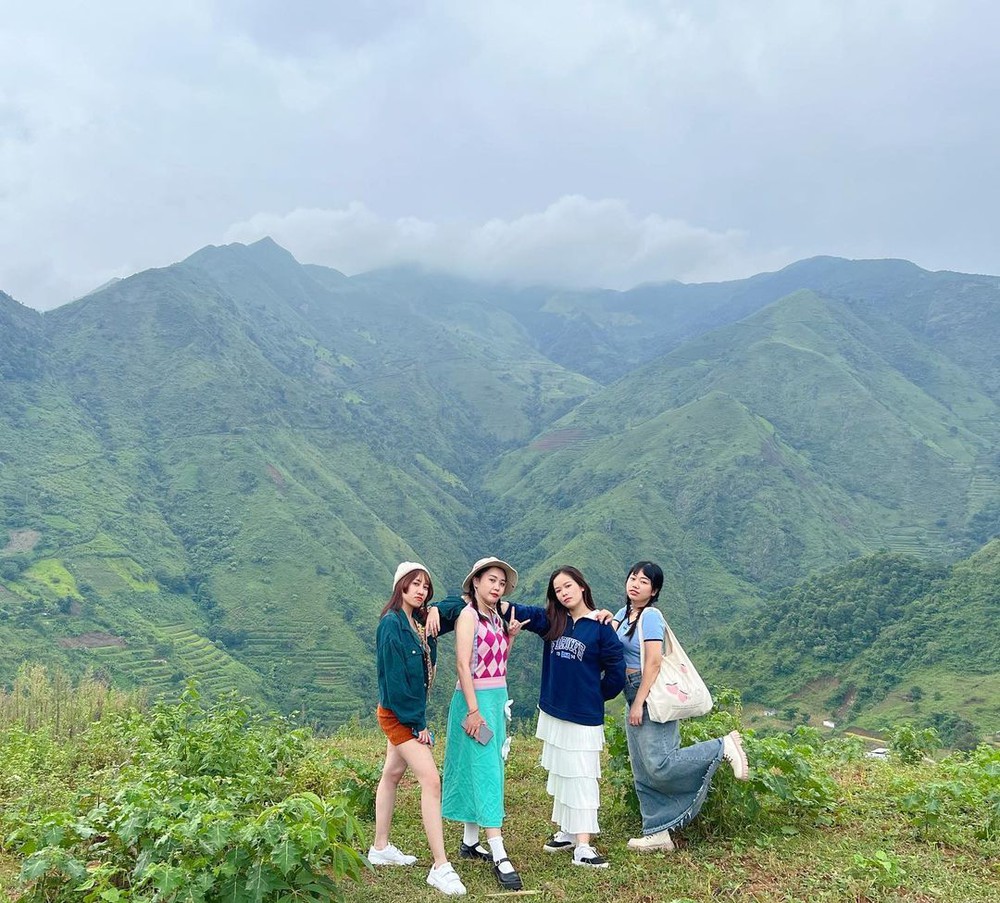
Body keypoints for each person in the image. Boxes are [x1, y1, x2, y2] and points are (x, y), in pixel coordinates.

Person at [612, 561, 749, 852]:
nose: (636, 584)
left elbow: (653, 662)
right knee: (642, 769)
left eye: (644, 582)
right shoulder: (623, 614)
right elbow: (608, 641)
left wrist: (639, 702)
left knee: (661, 764)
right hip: (629, 691)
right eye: (633, 578)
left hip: (647, 692)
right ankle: (657, 832)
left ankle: (721, 746)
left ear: (654, 591)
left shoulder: (651, 616)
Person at [506, 566, 625, 868]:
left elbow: (616, 672)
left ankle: (584, 846)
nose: (563, 593)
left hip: (584, 715)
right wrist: (487, 600)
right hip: (554, 710)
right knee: (562, 772)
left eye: (568, 586)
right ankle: (569, 832)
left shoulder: (601, 627)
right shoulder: (553, 622)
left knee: (582, 776)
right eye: (558, 590)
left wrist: (594, 695)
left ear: (582, 586)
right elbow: (524, 612)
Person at [370, 561, 467, 896]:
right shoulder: (391, 624)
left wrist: (437, 608)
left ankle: (380, 847)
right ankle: (440, 866)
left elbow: (462, 603)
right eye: (414, 584)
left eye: (426, 586)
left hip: (406, 713)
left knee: (392, 774)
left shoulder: (422, 621)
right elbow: (394, 683)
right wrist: (418, 725)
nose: (421, 590)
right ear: (401, 586)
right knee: (431, 780)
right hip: (398, 715)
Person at [433, 557, 525, 892]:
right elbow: (462, 664)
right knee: (486, 770)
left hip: (496, 701)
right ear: (476, 582)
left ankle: (470, 842)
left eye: (501, 582)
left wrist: (509, 637)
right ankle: (499, 852)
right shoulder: (468, 616)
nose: (497, 587)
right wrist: (473, 711)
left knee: (487, 765)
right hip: (475, 703)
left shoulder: (496, 618)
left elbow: (497, 663)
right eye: (491, 580)